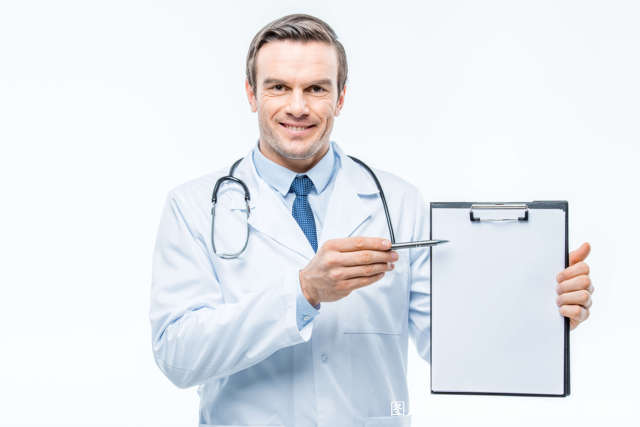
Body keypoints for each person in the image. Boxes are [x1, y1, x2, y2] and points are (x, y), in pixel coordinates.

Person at [150, 14, 594, 427]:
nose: (298, 107)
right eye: (279, 87)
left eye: (317, 89)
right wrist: (303, 292)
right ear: (251, 94)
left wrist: (539, 315)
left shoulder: (398, 204)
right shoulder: (194, 208)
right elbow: (177, 356)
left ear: (340, 97)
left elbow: (451, 346)